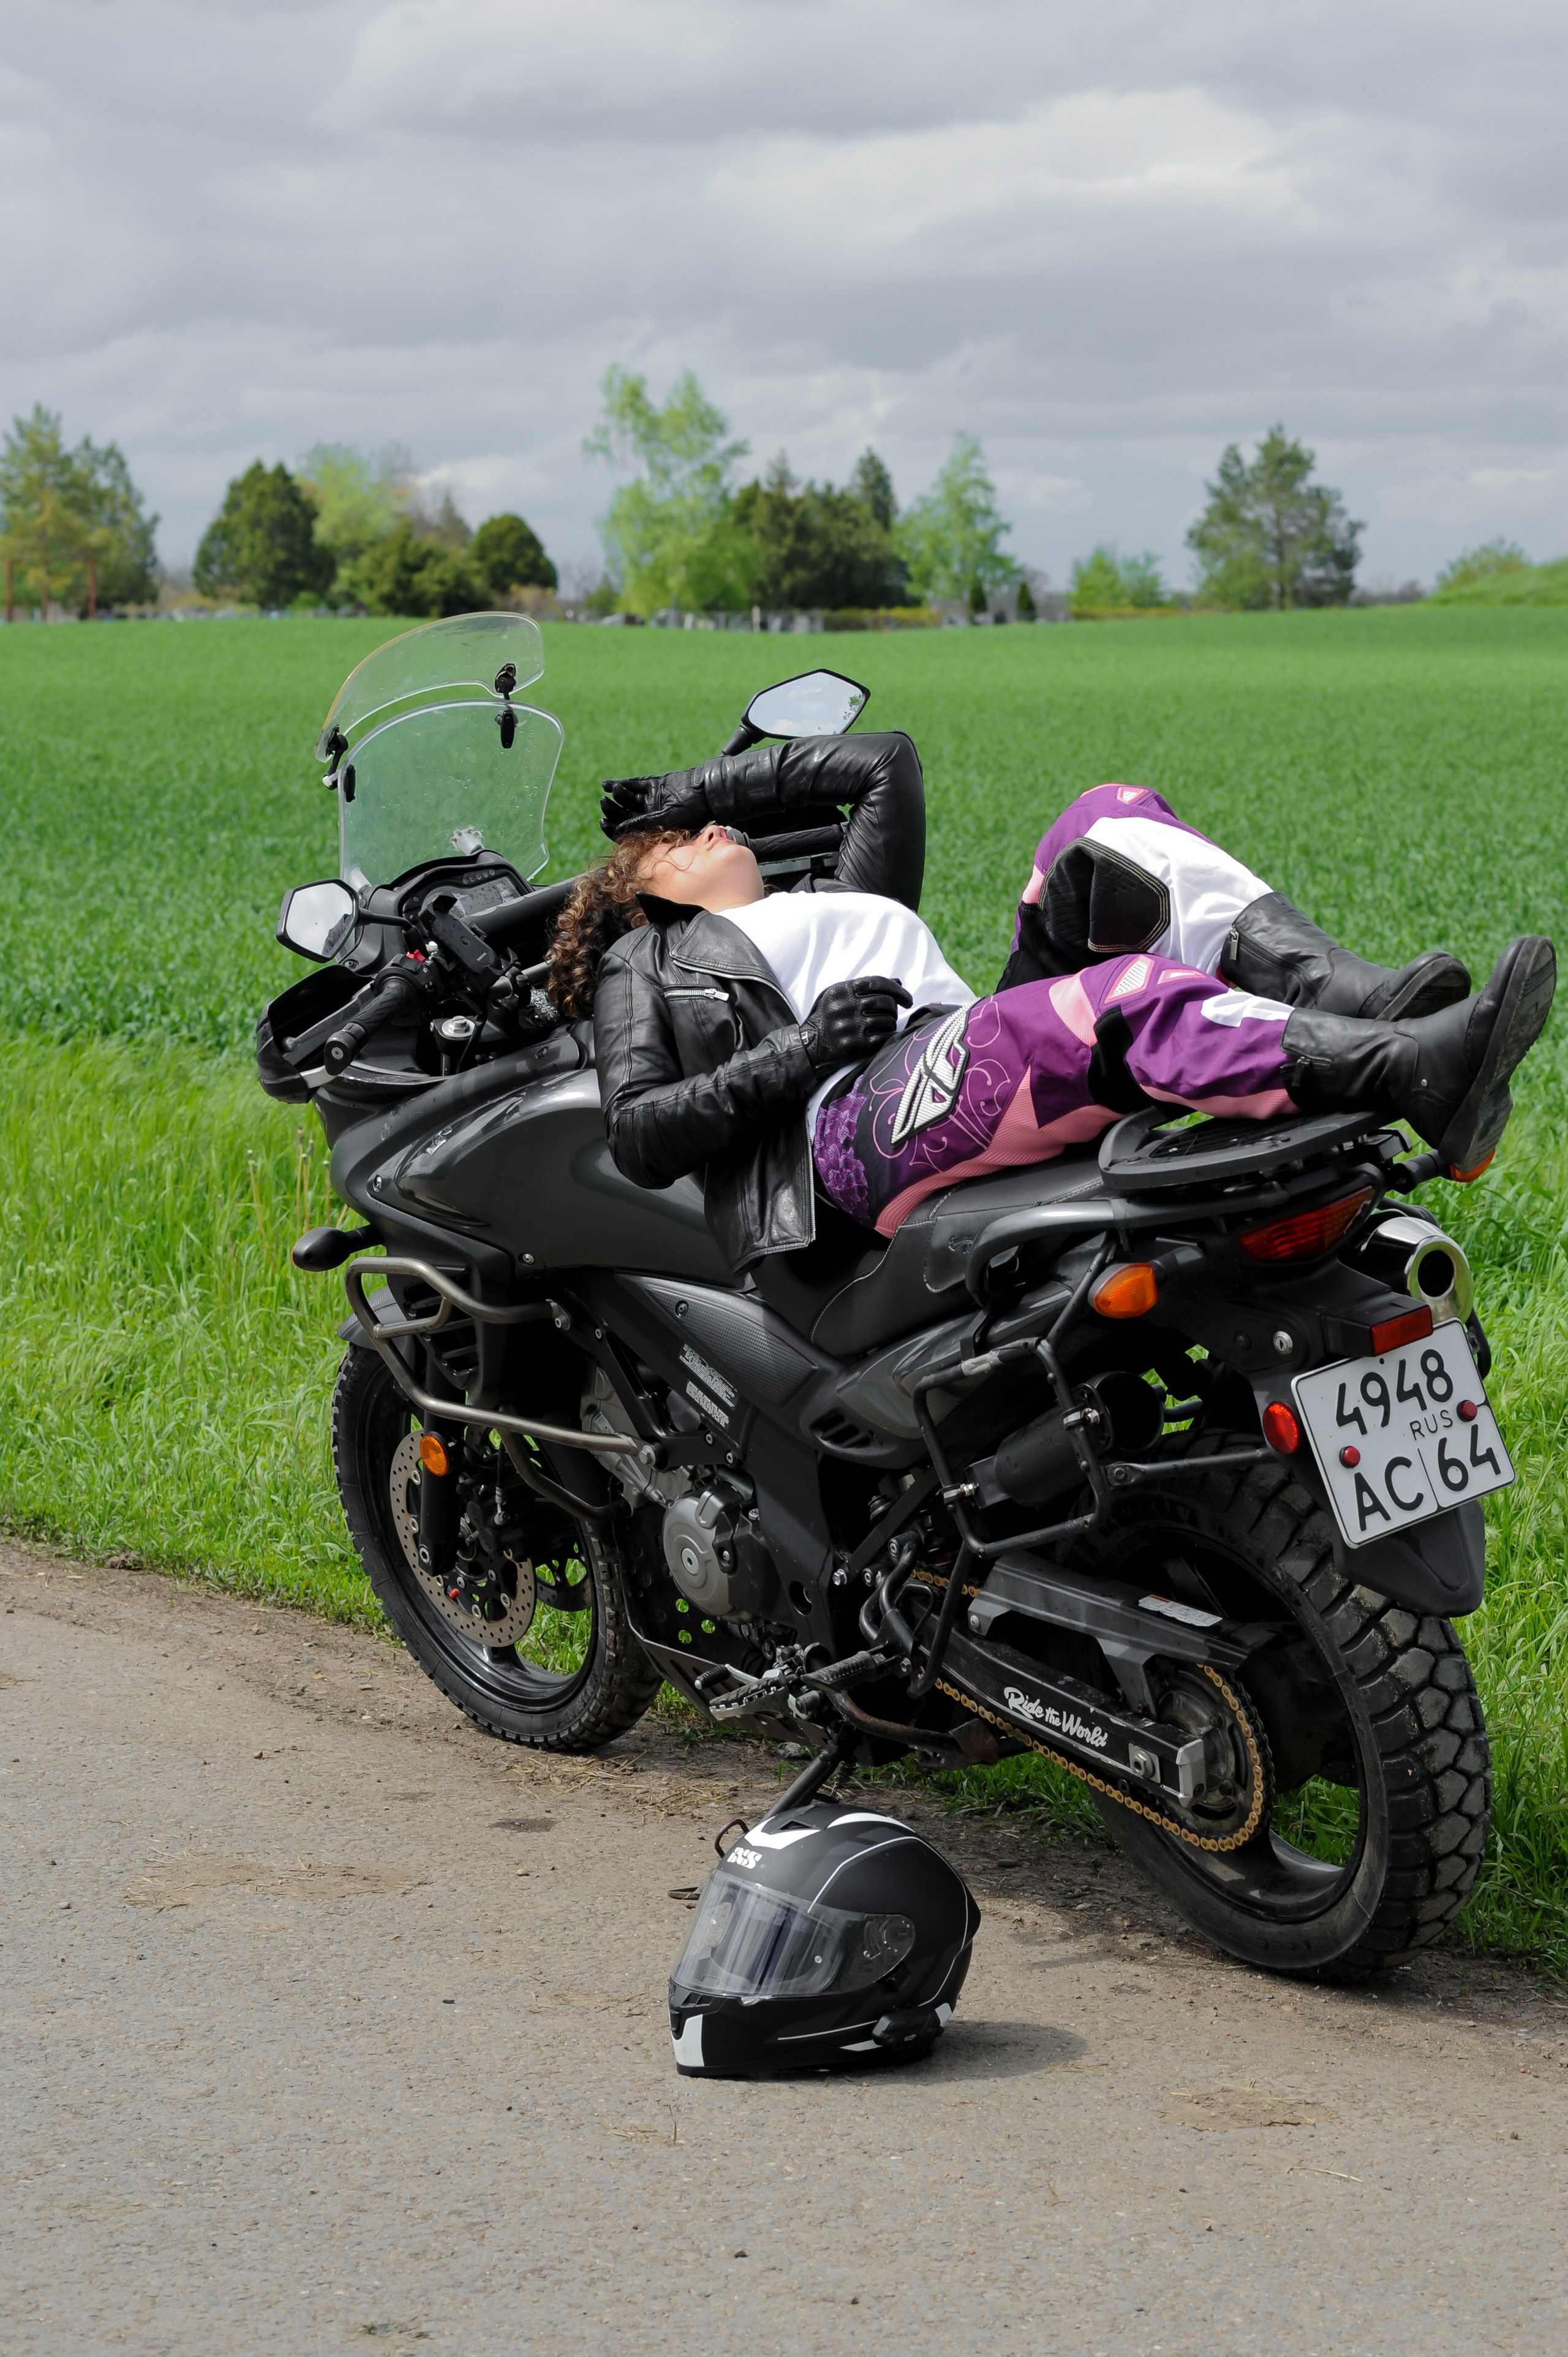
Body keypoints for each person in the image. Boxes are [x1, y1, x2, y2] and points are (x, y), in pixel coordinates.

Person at [548, 732, 1554, 1274]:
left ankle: (1361, 999)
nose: (709, 829)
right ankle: (1410, 1069)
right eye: (680, 843)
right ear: (644, 895)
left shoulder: (836, 898)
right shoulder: (651, 959)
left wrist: (689, 787)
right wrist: (803, 1051)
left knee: (1103, 819)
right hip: (849, 1130)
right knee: (1105, 1004)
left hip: (948, 1058)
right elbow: (641, 1133)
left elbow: (883, 761)